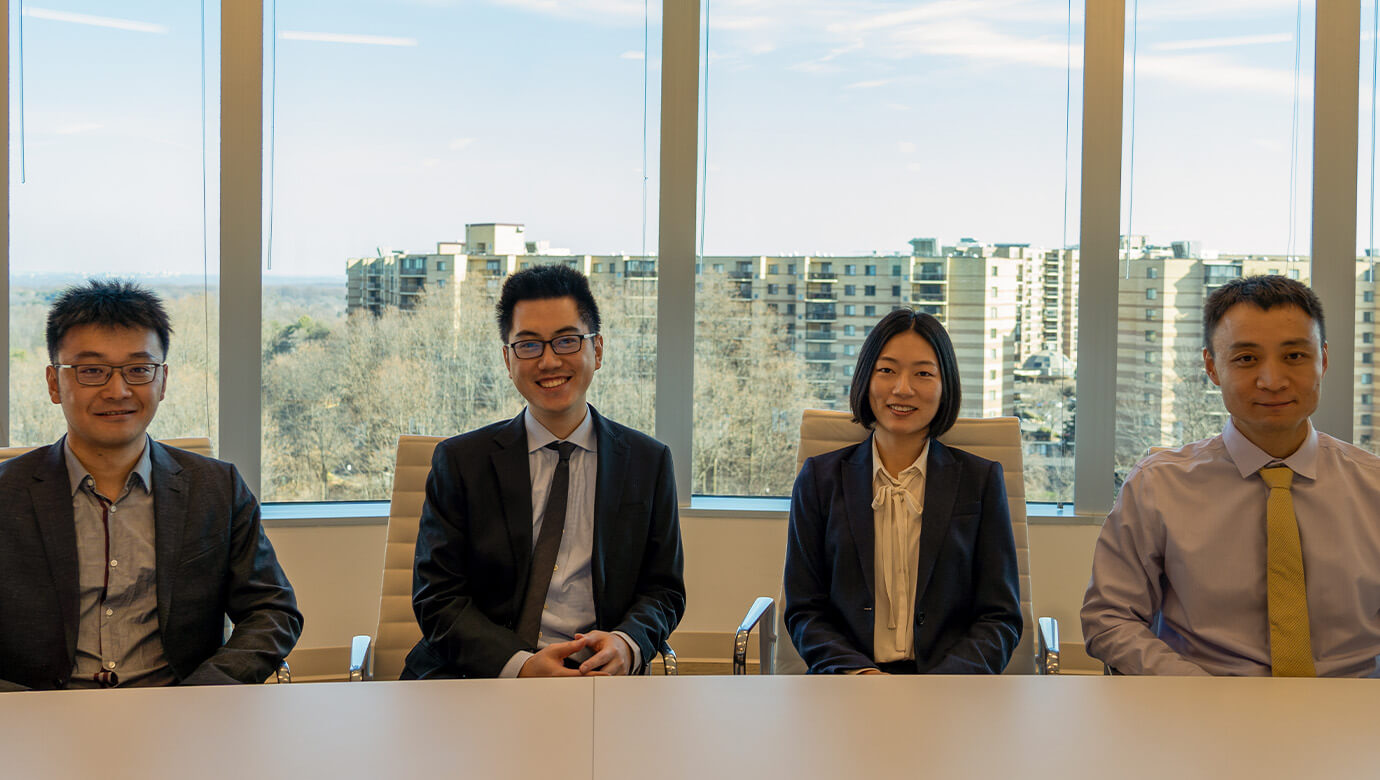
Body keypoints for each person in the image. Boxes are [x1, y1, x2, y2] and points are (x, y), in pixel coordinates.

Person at [0, 280, 301, 692]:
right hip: (36, 722)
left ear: (162, 381)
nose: (118, 390)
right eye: (91, 371)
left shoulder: (216, 488)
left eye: (139, 369)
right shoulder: (6, 495)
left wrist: (204, 693)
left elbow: (273, 610)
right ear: (54, 383)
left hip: (181, 715)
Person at [1082, 275, 1380, 676]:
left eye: (1294, 356)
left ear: (1323, 360)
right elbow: (1110, 618)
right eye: (1246, 359)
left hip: (1353, 716)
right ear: (1212, 367)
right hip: (1202, 713)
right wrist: (1198, 692)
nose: (1272, 381)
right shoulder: (1158, 486)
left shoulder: (1373, 487)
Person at [404, 264, 685, 679]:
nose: (549, 361)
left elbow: (663, 590)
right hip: (479, 676)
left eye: (567, 341)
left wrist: (627, 643)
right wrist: (519, 665)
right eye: (529, 345)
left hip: (599, 678)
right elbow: (437, 597)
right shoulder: (461, 463)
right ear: (507, 359)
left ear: (598, 350)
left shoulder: (648, 462)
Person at [784, 309, 1022, 674]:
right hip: (848, 684)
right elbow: (805, 609)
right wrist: (857, 672)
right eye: (887, 370)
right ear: (866, 378)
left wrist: (943, 683)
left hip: (949, 690)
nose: (903, 389)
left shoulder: (980, 480)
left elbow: (999, 616)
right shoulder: (819, 479)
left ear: (946, 386)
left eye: (923, 373)